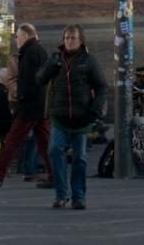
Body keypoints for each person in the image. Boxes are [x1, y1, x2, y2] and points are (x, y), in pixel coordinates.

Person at [36, 24, 107, 210]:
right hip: (59, 116)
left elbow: (101, 87)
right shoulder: (56, 59)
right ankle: (61, 194)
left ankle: (78, 196)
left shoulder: (89, 60)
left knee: (80, 158)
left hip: (81, 117)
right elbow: (39, 80)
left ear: (80, 40)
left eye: (73, 38)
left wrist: (95, 110)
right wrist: (50, 68)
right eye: (66, 37)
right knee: (54, 151)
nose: (69, 41)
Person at [0, 23, 53, 188]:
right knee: (45, 143)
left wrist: (20, 97)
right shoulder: (39, 51)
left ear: (25, 36)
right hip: (39, 106)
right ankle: (55, 174)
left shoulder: (29, 53)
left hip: (29, 107)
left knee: (12, 140)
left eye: (17, 36)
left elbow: (28, 81)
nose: (16, 40)